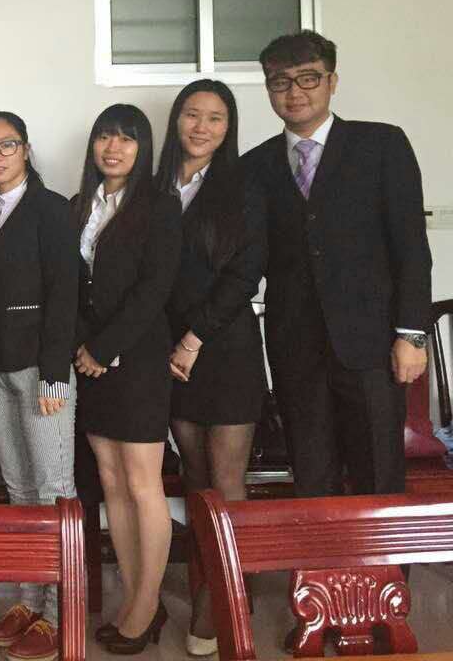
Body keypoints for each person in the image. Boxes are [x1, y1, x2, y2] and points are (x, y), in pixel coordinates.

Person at [243, 32, 432, 500]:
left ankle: (381, 556)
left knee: (378, 478)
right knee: (312, 480)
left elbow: (411, 246)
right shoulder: (254, 166)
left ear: (332, 81)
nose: (294, 92)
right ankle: (322, 555)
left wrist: (411, 335)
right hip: (295, 350)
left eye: (308, 78)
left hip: (372, 347)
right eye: (280, 82)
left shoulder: (381, 145)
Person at [153, 82, 266, 656]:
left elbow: (246, 273)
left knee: (226, 480)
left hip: (224, 349)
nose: (201, 127)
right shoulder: (155, 185)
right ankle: (210, 577)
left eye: (215, 118)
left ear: (229, 128)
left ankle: (225, 596)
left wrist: (194, 339)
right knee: (195, 476)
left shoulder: (242, 186)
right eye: (192, 115)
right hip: (169, 354)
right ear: (176, 120)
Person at [0, 112, 79, 661]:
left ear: (27, 149)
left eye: (6, 145)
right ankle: (28, 602)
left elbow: (65, 291)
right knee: (18, 490)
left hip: (40, 369)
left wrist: (56, 370)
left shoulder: (51, 208)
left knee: (54, 491)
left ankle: (59, 614)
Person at [72, 104, 181, 655]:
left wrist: (104, 347)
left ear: (143, 148)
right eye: (104, 137)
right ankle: (141, 597)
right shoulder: (80, 205)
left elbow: (154, 289)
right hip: (88, 363)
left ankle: (144, 603)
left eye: (126, 139)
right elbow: (70, 284)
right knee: (111, 481)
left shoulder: (160, 205)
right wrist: (83, 347)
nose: (112, 148)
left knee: (142, 483)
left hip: (136, 359)